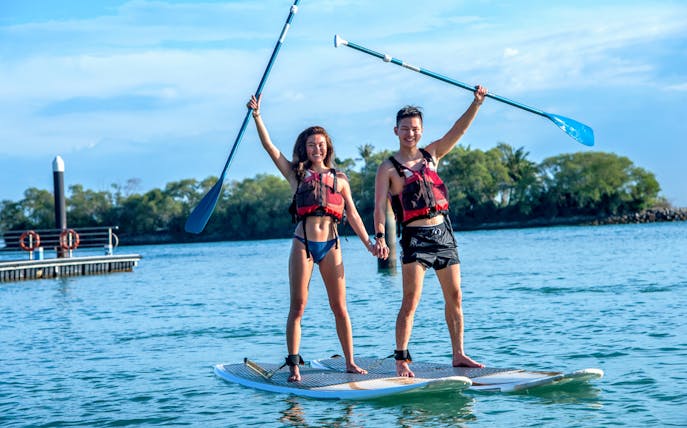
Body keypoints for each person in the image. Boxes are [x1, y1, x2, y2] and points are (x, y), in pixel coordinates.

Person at [248, 94, 373, 382]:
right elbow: (269, 147)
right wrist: (257, 116)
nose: (316, 148)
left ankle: (350, 362)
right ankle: (294, 366)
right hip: (303, 243)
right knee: (298, 306)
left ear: (327, 147)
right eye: (311, 144)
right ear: (304, 149)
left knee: (339, 307)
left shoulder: (339, 179)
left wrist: (369, 242)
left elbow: (353, 215)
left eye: (321, 144)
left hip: (332, 244)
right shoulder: (296, 175)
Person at [373, 86, 488, 377]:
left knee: (456, 296)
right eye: (405, 128)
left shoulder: (432, 154)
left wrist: (476, 104)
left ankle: (459, 354)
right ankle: (401, 359)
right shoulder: (388, 168)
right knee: (411, 301)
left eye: (415, 128)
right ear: (395, 131)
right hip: (415, 239)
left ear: (421, 131)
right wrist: (379, 236)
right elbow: (377, 208)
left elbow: (458, 131)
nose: (410, 133)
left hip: (444, 234)